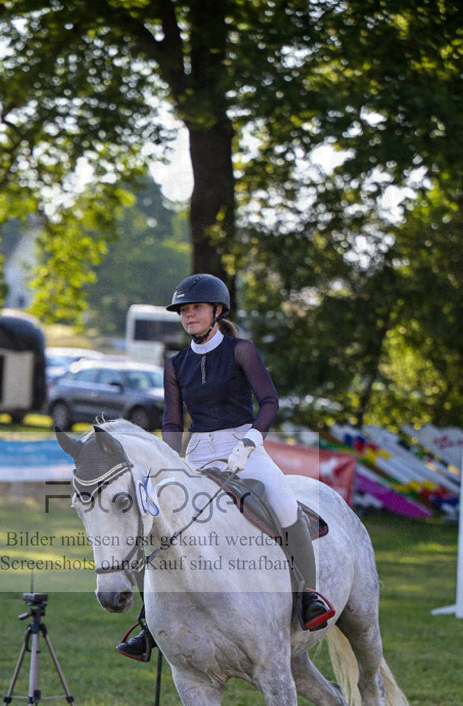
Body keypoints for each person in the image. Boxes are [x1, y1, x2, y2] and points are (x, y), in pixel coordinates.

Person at [116, 273, 334, 661]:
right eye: (183, 311)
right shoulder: (176, 363)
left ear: (217, 311)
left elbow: (269, 401)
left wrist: (252, 439)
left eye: (196, 308)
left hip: (243, 445)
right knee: (159, 518)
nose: (189, 316)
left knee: (284, 503)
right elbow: (171, 421)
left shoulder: (240, 350)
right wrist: (167, 465)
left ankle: (308, 598)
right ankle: (150, 622)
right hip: (197, 453)